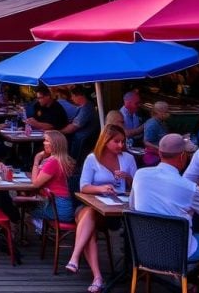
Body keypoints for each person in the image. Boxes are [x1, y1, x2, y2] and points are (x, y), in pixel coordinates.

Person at [131, 133, 199, 293]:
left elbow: (133, 206)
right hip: (177, 252)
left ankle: (188, 282)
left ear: (159, 153)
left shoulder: (140, 175)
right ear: (183, 156)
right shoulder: (189, 187)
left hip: (144, 249)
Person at [66, 125, 138, 292]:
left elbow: (138, 186)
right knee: (89, 213)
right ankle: (97, 276)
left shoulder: (128, 158)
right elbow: (84, 187)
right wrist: (101, 188)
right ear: (105, 141)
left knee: (88, 223)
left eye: (123, 141)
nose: (121, 145)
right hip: (89, 204)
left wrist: (127, 177)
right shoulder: (93, 158)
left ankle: (76, 259)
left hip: (113, 208)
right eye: (116, 141)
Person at [28, 130, 76, 234]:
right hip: (69, 206)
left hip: (60, 209)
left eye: (46, 140)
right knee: (34, 204)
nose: (44, 143)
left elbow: (35, 183)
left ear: (55, 144)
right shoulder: (65, 160)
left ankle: (43, 232)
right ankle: (45, 232)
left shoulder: (53, 162)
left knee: (31, 213)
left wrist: (36, 160)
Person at [60, 85, 100, 162]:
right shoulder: (84, 106)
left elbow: (72, 128)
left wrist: (57, 131)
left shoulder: (86, 109)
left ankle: (72, 168)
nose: (71, 98)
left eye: (73, 96)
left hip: (82, 142)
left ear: (79, 96)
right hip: (80, 140)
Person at [142, 100, 171, 166]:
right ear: (158, 112)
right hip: (153, 157)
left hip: (161, 155)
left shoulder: (162, 122)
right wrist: (159, 149)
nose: (168, 114)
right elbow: (146, 142)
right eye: (166, 112)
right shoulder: (152, 124)